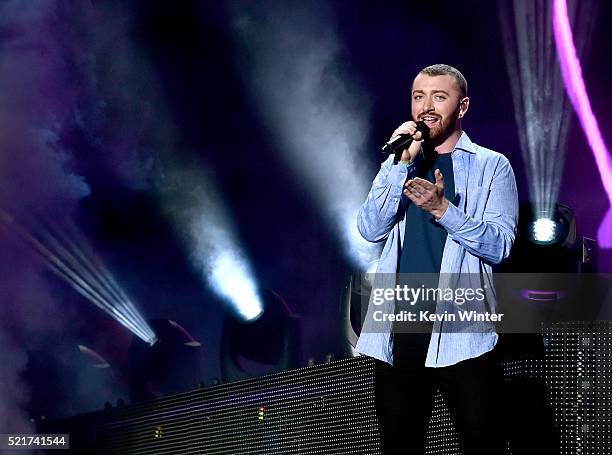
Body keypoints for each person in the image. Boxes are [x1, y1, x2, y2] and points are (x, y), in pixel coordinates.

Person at [355, 64, 519, 454]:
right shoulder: (401, 161)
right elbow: (370, 228)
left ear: (462, 106)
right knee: (399, 442)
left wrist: (443, 209)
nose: (426, 107)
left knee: (482, 440)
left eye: (438, 97)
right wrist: (399, 163)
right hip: (399, 326)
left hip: (463, 327)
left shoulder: (491, 166)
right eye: (418, 97)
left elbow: (499, 245)